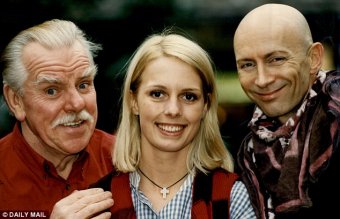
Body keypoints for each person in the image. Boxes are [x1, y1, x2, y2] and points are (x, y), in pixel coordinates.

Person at [92, 31, 256, 219]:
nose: (173, 110)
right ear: (133, 101)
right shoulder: (98, 202)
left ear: (206, 106)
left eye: (188, 96)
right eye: (157, 94)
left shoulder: (232, 199)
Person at [233, 3, 340, 219]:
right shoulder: (247, 150)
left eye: (277, 59)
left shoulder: (334, 120)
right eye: (247, 65)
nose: (262, 80)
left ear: (314, 58)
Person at [0, 19, 115, 218]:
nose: (77, 103)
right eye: (52, 90)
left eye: (83, 84)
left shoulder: (129, 162)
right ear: (16, 100)